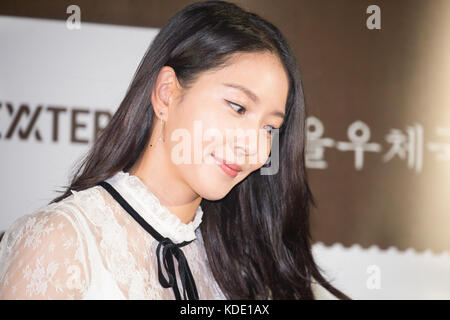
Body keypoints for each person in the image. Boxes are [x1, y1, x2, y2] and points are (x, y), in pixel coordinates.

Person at [0, 0, 350, 300]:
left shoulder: (237, 270)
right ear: (167, 93)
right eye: (238, 107)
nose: (254, 147)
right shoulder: (61, 240)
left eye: (270, 128)